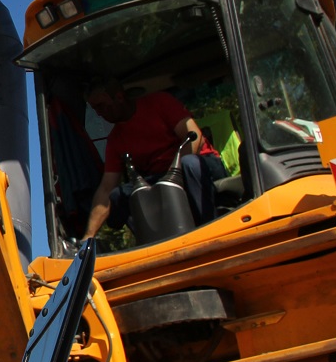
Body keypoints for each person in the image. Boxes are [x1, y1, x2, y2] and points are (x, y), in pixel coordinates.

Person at [79, 79, 228, 242]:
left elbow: (193, 137)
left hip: (200, 165)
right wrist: (88, 235)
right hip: (160, 180)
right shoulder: (116, 140)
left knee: (189, 164)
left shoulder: (159, 103)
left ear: (119, 97)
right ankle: (152, 244)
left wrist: (174, 177)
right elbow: (106, 188)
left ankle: (209, 234)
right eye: (95, 110)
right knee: (119, 195)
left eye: (101, 106)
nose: (100, 113)